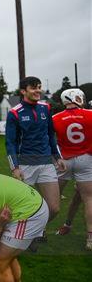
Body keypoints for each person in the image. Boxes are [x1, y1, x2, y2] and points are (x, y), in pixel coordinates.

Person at [5, 76, 66, 225]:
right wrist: (15, 167)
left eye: (39, 87)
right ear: (23, 91)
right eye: (33, 87)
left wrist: (57, 157)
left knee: (54, 208)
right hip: (25, 165)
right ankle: (6, 233)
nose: (38, 90)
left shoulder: (46, 108)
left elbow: (50, 135)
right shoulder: (14, 113)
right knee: (19, 207)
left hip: (46, 164)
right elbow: (10, 143)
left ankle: (37, 230)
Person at [52, 88, 92, 250]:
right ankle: (90, 238)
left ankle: (35, 231)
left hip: (64, 160)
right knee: (89, 199)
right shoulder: (90, 114)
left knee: (51, 200)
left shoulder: (54, 118)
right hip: (86, 159)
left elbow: (48, 139)